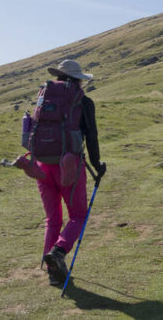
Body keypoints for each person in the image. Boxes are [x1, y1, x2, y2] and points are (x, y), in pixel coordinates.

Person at [31, 59, 104, 286]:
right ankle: (59, 252)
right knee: (78, 215)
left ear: (60, 77)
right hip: (70, 166)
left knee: (53, 219)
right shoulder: (83, 102)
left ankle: (53, 272)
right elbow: (91, 136)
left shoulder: (45, 97)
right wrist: (97, 165)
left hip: (43, 165)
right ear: (78, 80)